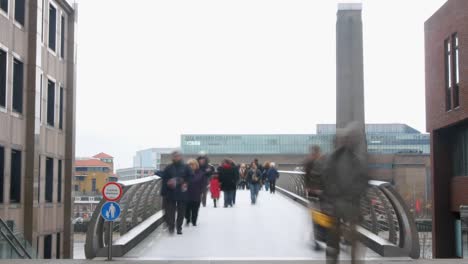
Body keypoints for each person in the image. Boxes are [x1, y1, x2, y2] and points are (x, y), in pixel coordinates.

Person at [322, 123, 369, 264]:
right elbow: (327, 179)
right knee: (336, 237)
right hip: (338, 204)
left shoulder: (353, 159)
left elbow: (363, 181)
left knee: (351, 236)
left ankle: (350, 259)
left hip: (348, 204)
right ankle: (335, 258)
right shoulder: (335, 158)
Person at [160, 151, 193, 235]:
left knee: (181, 211)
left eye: (178, 156)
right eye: (175, 156)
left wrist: (185, 182)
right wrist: (165, 189)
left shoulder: (186, 167)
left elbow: (191, 177)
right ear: (172, 157)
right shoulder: (169, 167)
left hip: (182, 192)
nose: (176, 157)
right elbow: (164, 179)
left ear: (181, 157)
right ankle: (171, 227)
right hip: (171, 193)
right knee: (170, 211)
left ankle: (179, 227)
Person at [303, 145, 326, 251]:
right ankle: (316, 240)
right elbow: (309, 178)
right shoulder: (312, 163)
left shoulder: (312, 162)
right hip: (315, 195)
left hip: (317, 195)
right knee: (316, 218)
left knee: (316, 217)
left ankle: (316, 239)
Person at [185, 159, 205, 227]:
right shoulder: (185, 173)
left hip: (196, 194)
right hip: (186, 194)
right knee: (186, 209)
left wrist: (201, 192)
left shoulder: (200, 173)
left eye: (192, 164)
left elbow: (203, 184)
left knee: (195, 209)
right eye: (189, 165)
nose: (190, 166)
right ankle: (187, 219)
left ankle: (194, 221)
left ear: (196, 165)